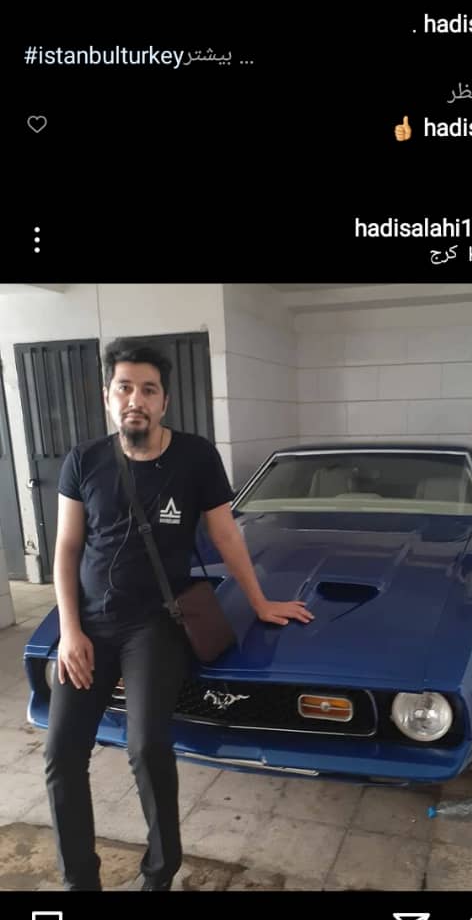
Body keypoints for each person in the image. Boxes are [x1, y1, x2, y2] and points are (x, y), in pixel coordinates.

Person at [46, 338, 314, 891]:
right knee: (61, 754)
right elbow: (67, 549)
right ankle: (80, 881)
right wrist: (69, 631)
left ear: (164, 401)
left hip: (155, 625)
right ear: (108, 396)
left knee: (146, 747)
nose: (136, 400)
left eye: (148, 390)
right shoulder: (83, 461)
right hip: (91, 624)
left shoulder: (195, 457)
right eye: (125, 388)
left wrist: (260, 602)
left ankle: (160, 873)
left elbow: (226, 535)